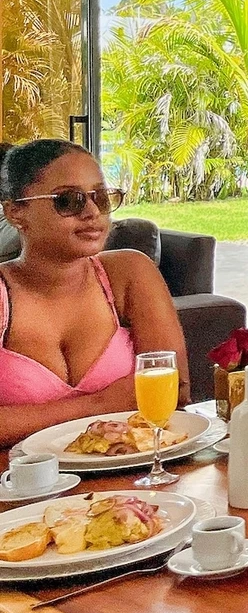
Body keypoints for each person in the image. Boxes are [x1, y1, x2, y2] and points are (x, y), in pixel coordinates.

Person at [0, 140, 188, 448]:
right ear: (16, 212)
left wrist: (25, 419)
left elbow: (175, 389)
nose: (91, 212)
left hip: (133, 467)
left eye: (100, 197)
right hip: (20, 475)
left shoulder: (129, 274)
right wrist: (99, 404)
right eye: (68, 200)